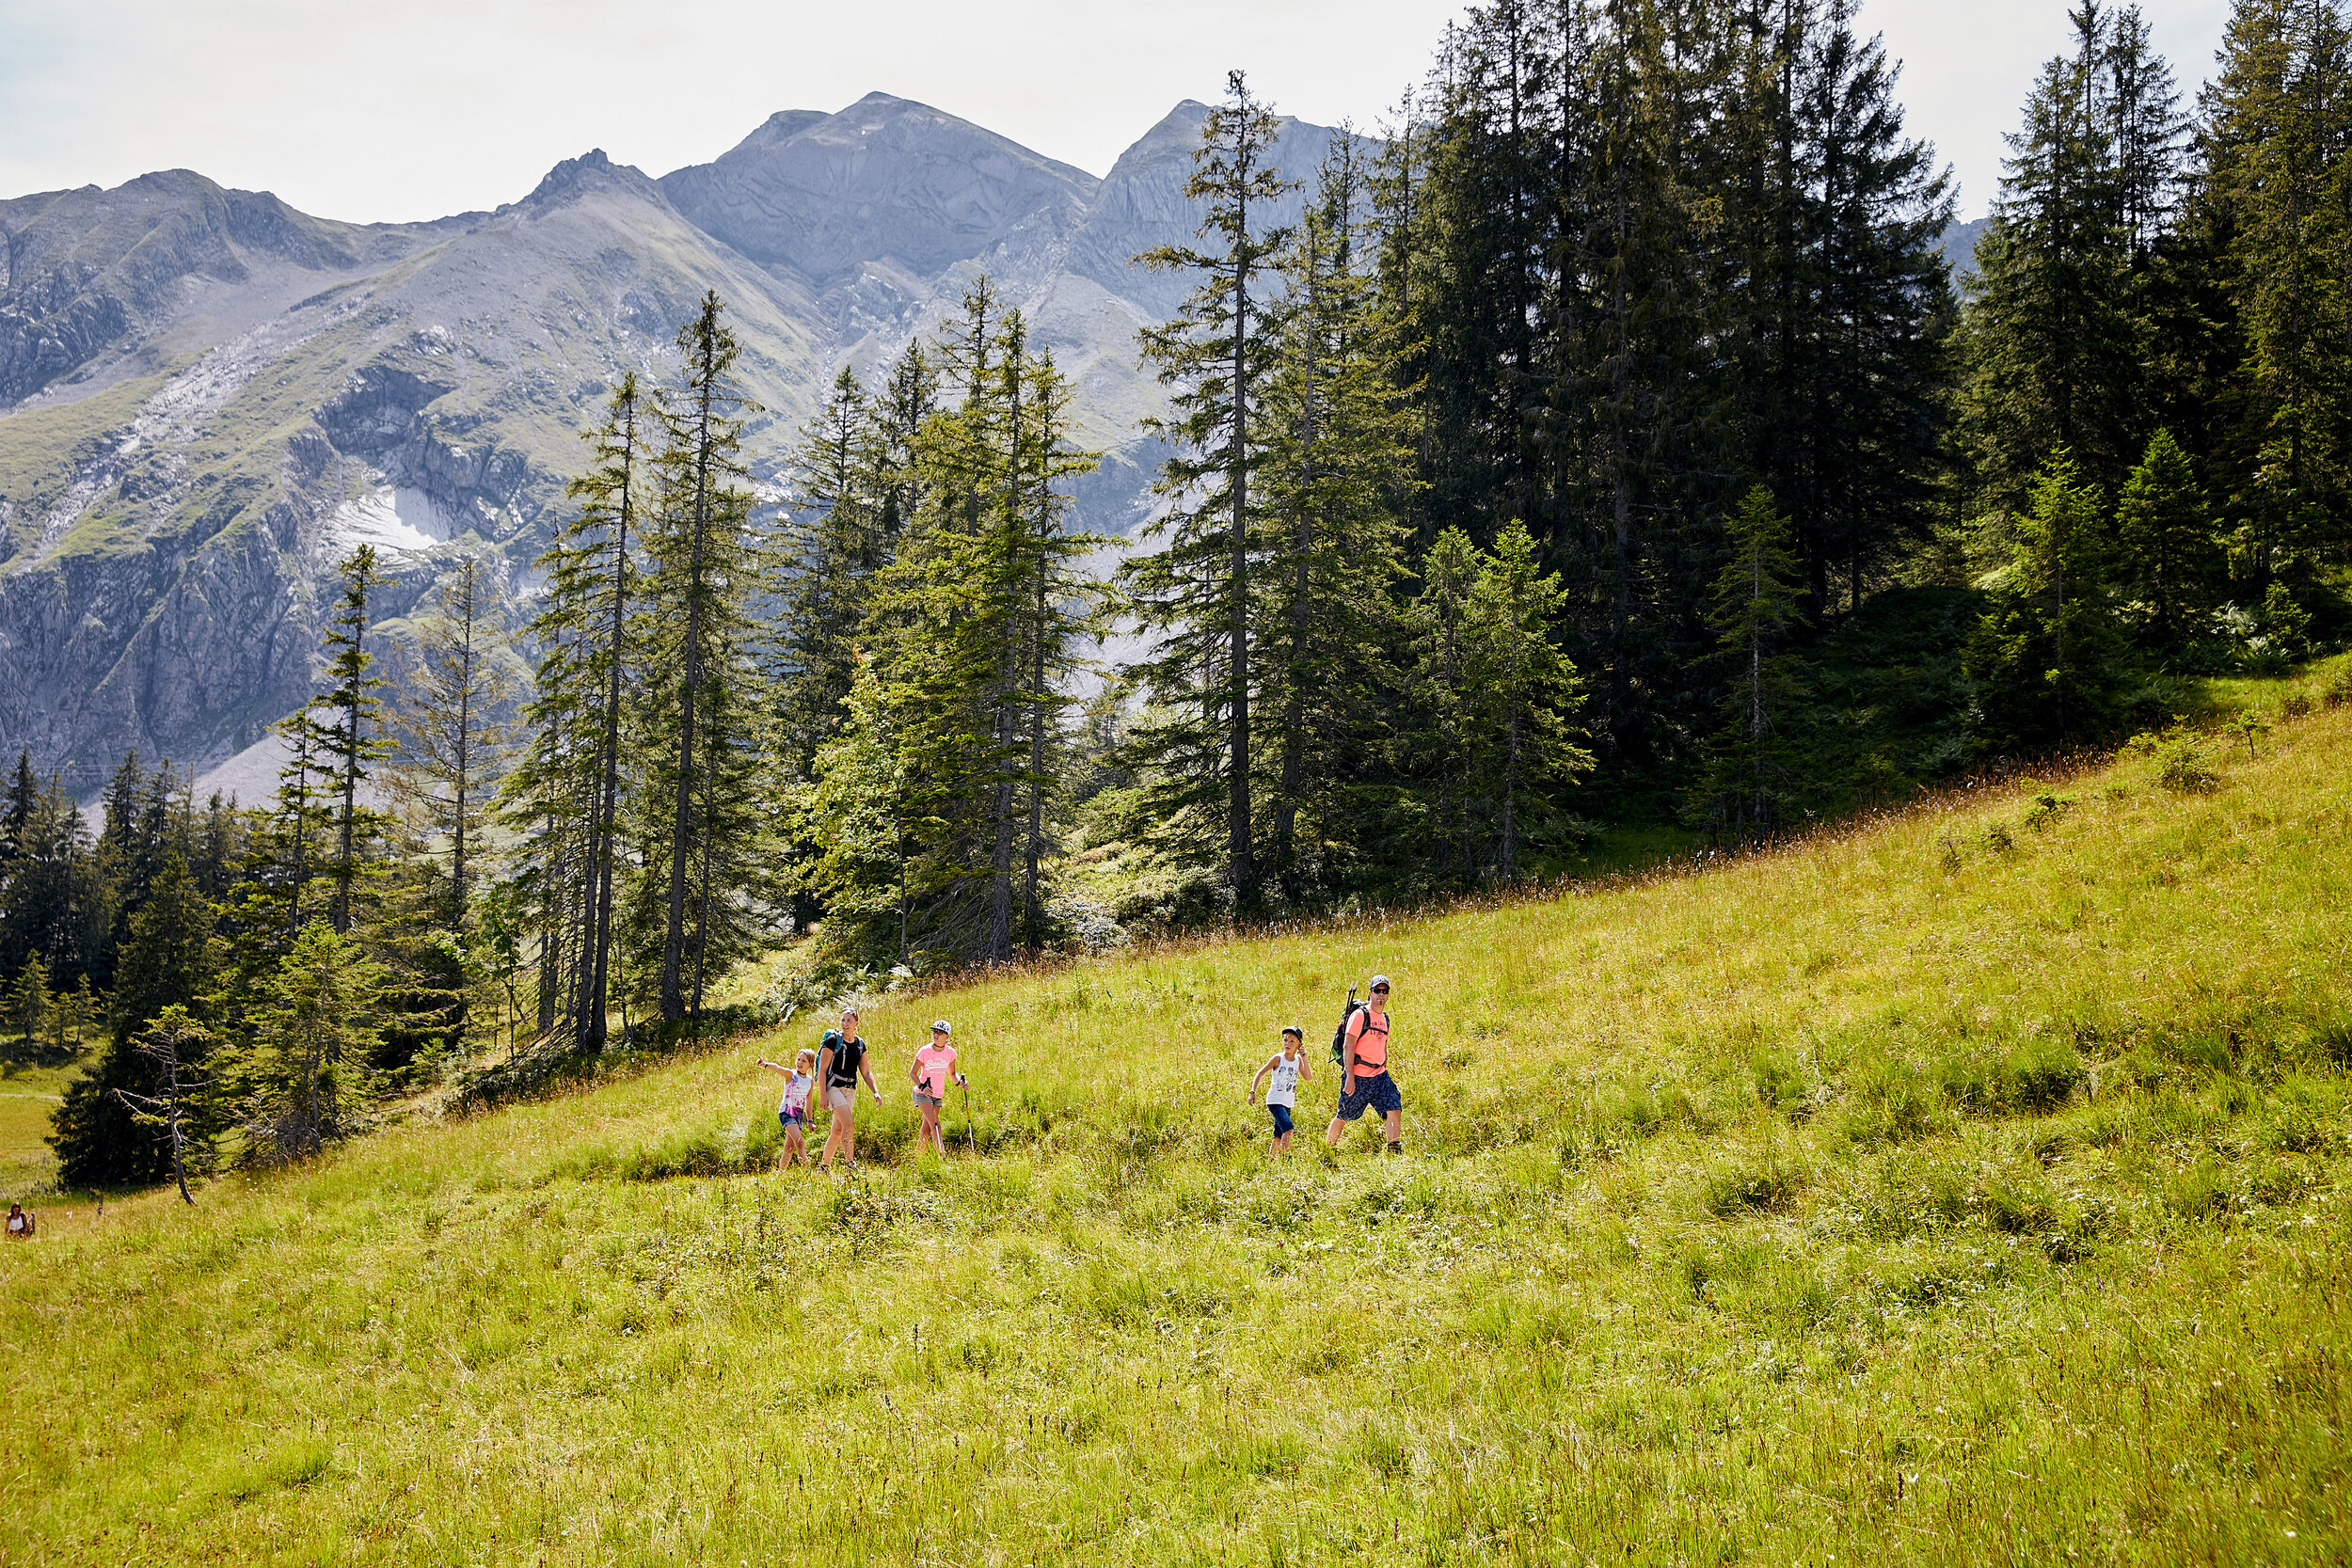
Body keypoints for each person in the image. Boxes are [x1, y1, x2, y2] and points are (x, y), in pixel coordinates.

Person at [1326, 974, 1403, 1156]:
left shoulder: (1386, 1019)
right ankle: (1328, 1151)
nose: (1381, 995)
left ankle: (1394, 1151)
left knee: (1394, 1106)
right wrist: (1350, 1077)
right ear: (1370, 993)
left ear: (1388, 994)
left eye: (1384, 991)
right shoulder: (1360, 1015)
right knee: (1344, 1115)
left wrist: (1383, 1065)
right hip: (1358, 1076)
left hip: (1379, 1076)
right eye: (1377, 991)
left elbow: (1383, 1044)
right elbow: (1348, 1045)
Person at [816, 1008, 882, 1173]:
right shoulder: (833, 1040)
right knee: (849, 1123)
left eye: (849, 1021)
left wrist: (875, 1091)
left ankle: (824, 1167)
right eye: (843, 1020)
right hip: (833, 1087)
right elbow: (822, 1069)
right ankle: (850, 1163)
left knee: (838, 1130)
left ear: (856, 1023)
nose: (845, 1024)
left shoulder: (859, 1044)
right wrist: (822, 1095)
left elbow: (866, 1072)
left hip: (850, 1089)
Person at [1248, 1026, 1313, 1158]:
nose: (1287, 1044)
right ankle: (1286, 1160)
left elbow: (1308, 1077)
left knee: (1278, 1135)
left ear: (1299, 1045)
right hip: (1275, 1100)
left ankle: (1271, 1161)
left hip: (1287, 1102)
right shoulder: (1278, 1058)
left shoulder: (1298, 1060)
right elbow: (1260, 1073)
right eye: (1285, 1040)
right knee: (1288, 1129)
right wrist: (1252, 1091)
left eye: (1292, 1041)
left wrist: (1304, 1057)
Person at [910, 1020, 968, 1157]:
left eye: (940, 1033)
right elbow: (913, 1073)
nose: (936, 1035)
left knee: (927, 1130)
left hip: (937, 1094)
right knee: (936, 1125)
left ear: (947, 1036)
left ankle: (918, 1158)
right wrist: (922, 1087)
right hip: (923, 1093)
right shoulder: (924, 1051)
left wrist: (961, 1082)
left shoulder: (950, 1053)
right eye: (935, 1032)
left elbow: (953, 1074)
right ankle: (942, 1158)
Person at [755, 1048, 818, 1170]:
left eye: (803, 1061)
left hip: (798, 1116)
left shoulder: (810, 1081)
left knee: (789, 1148)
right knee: (799, 1142)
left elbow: (809, 1102)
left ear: (810, 1064)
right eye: (798, 1059)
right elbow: (778, 1068)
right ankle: (808, 1170)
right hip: (787, 1113)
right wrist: (765, 1064)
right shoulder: (791, 1075)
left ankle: (780, 1173)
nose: (799, 1062)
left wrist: (810, 1121)